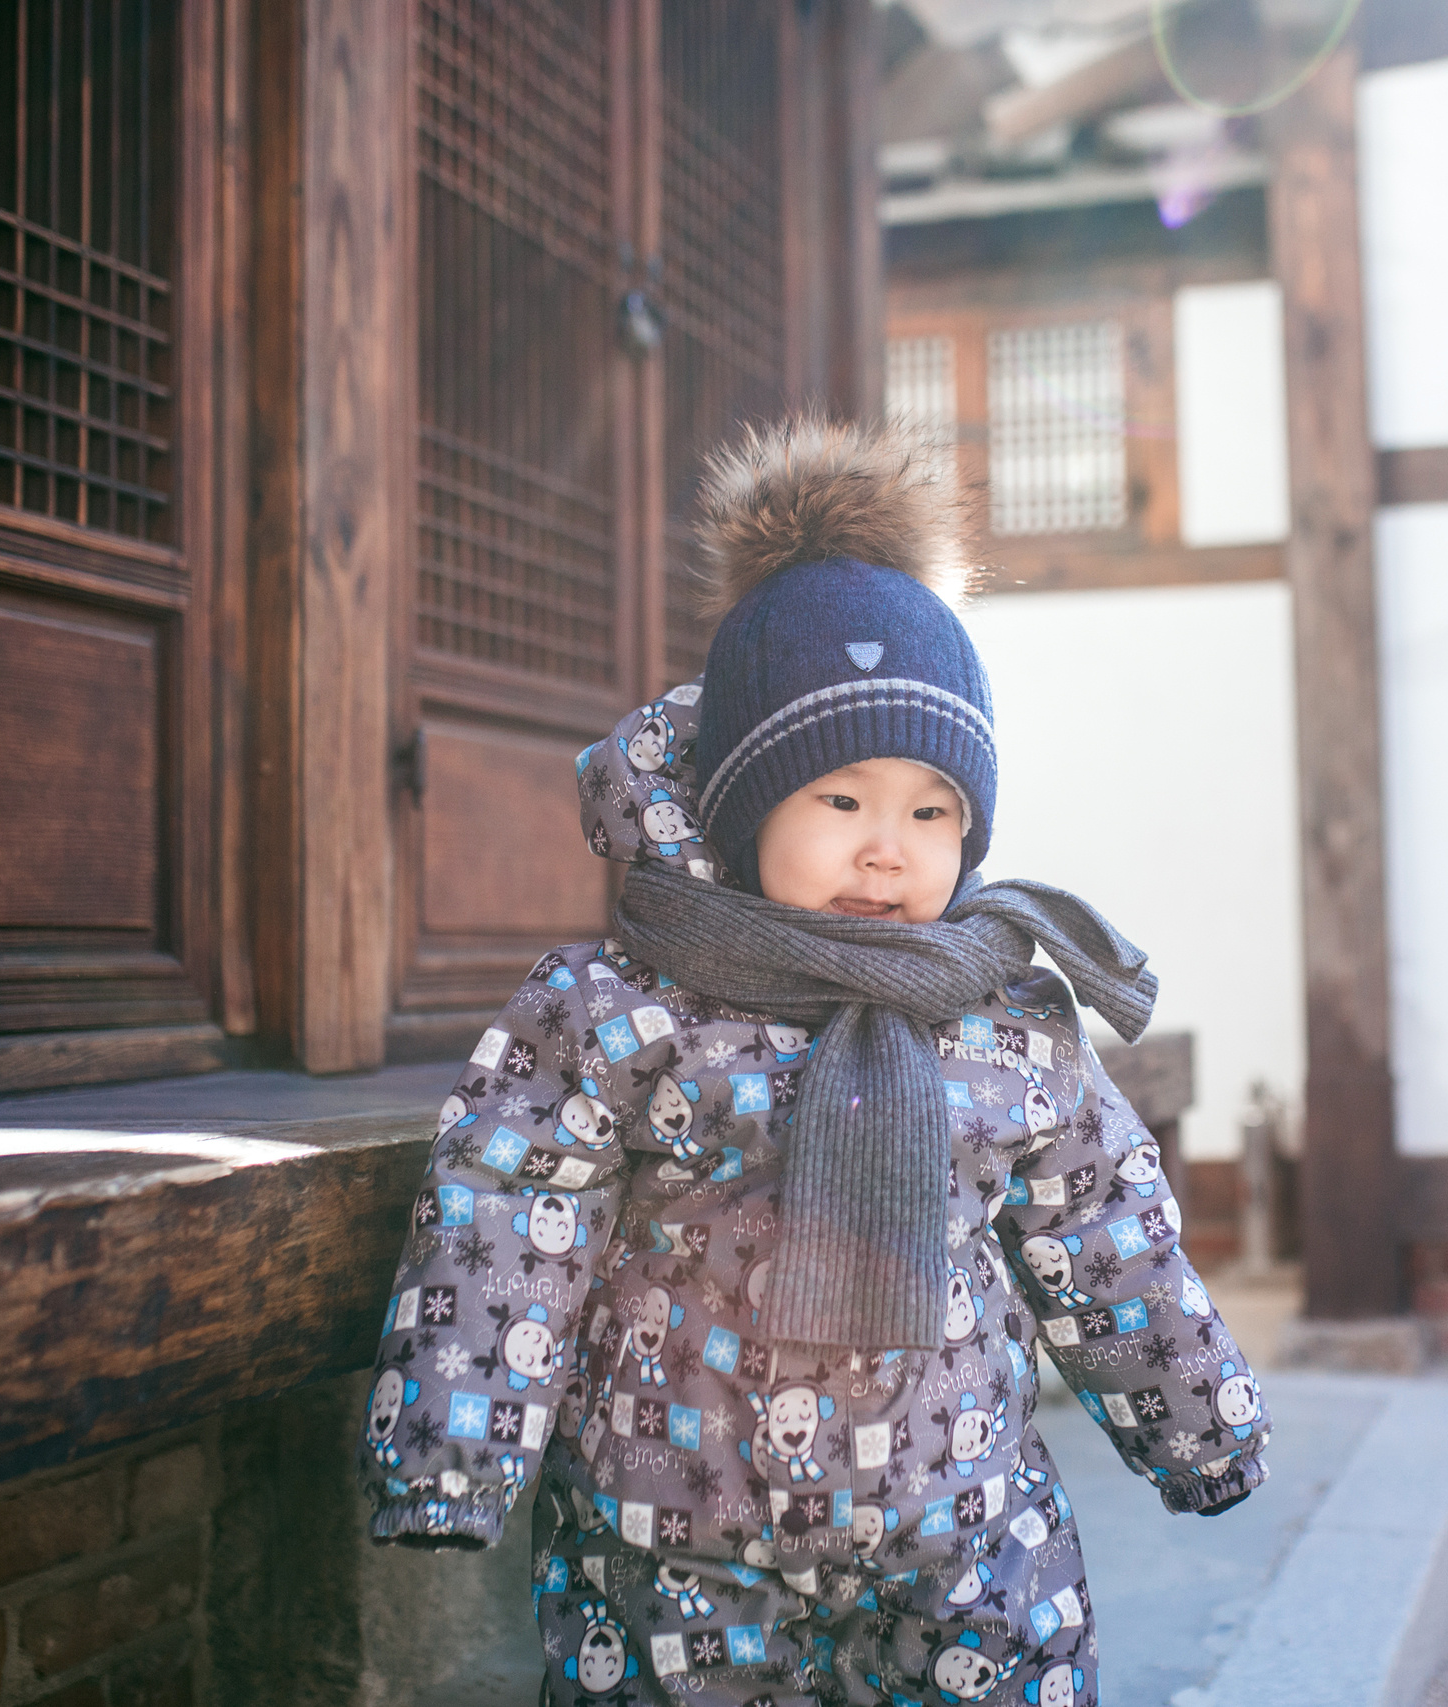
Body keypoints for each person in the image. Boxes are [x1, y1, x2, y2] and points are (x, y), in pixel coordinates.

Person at [356, 417, 1269, 1706]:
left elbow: (1107, 1222)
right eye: (840, 800)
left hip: (966, 1519)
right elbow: (509, 1211)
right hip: (673, 1532)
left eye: (930, 810)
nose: (887, 847)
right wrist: (455, 1452)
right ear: (743, 805)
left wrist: (1200, 1424)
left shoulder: (1005, 1019)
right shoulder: (621, 1008)